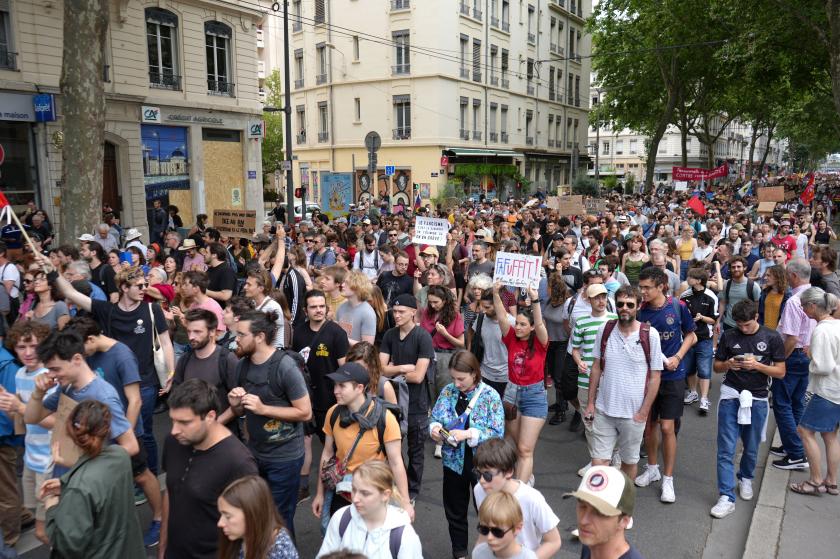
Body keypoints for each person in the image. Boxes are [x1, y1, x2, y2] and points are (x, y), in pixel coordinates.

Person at [48, 261, 175, 478]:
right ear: (124, 287)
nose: (145, 288)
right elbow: (70, 291)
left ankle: (149, 474)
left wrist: (170, 374)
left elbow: (165, 342)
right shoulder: (107, 310)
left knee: (142, 433)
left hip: (145, 382)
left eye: (145, 284)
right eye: (139, 285)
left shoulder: (152, 309)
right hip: (114, 384)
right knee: (117, 431)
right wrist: (51, 271)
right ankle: (126, 475)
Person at [226, 310, 312, 538]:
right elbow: (240, 411)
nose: (236, 340)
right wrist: (235, 405)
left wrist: (264, 409)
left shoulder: (285, 367)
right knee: (258, 515)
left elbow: (305, 412)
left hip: (285, 458)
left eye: (241, 335)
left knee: (279, 520)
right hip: (255, 453)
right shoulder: (241, 366)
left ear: (260, 336)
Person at [159, 379, 259, 559]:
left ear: (210, 416)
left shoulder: (239, 462)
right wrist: (163, 546)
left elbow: (252, 527)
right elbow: (170, 491)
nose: (174, 430)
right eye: (173, 421)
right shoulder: (173, 441)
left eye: (184, 422)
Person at [709, 300, 786, 518]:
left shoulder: (772, 337)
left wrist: (758, 366)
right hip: (731, 395)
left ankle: (745, 477)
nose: (743, 329)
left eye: (747, 325)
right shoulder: (729, 335)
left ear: (757, 318)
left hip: (758, 399)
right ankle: (726, 495)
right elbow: (716, 366)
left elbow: (781, 372)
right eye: (739, 325)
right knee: (726, 448)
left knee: (751, 447)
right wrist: (728, 364)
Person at [40, 401, 145, 558]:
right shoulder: (120, 455)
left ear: (70, 433)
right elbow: (102, 490)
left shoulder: (80, 488)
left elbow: (65, 544)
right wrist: (67, 485)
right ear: (107, 429)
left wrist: (51, 507)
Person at [430, 350, 504, 559]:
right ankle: (459, 552)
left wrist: (469, 434)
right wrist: (435, 429)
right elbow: (435, 417)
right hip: (453, 463)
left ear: (475, 373)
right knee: (455, 511)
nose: (456, 383)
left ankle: (491, 552)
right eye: (453, 378)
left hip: (483, 465)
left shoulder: (490, 395)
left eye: (461, 379)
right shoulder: (448, 392)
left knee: (487, 512)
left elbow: (497, 433)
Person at [586, 286, 663, 480]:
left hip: (633, 415)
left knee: (629, 464)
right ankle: (600, 509)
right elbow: (596, 367)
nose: (624, 308)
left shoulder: (650, 334)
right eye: (620, 304)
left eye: (630, 304)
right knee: (598, 465)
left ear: (638, 307)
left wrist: (644, 411)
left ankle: (623, 509)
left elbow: (655, 376)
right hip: (604, 411)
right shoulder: (605, 329)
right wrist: (590, 403)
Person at [635, 267, 697, 503]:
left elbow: (691, 336)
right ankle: (652, 469)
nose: (643, 292)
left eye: (647, 287)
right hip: (649, 377)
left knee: (668, 428)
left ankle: (668, 480)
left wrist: (678, 357)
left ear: (661, 285)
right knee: (649, 426)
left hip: (673, 376)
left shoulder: (678, 307)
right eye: (641, 287)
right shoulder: (640, 312)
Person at [0, 321, 51, 545]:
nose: (28, 353)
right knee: (43, 529)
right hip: (32, 458)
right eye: (22, 347)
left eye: (34, 346)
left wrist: (20, 408)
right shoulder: (20, 374)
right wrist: (10, 407)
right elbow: (23, 423)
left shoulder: (52, 375)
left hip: (52, 460)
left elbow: (62, 422)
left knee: (49, 530)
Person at [493, 282, 549, 485]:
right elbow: (501, 316)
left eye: (523, 324)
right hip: (511, 394)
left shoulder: (540, 342)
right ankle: (526, 474)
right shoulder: (510, 338)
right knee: (515, 444)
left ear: (532, 327)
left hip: (534, 395)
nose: (517, 327)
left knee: (526, 448)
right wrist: (496, 293)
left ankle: (520, 491)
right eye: (516, 323)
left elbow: (541, 324)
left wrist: (535, 300)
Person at [379, 294, 434, 502]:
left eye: (401, 312)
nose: (397, 315)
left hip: (417, 404)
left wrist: (391, 373)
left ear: (413, 312)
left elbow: (419, 376)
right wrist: (402, 368)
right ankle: (396, 484)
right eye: (394, 311)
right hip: (393, 402)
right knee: (392, 446)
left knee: (416, 450)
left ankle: (411, 491)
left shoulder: (422, 337)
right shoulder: (390, 335)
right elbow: (380, 368)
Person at [788, 287, 840, 496]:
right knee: (830, 436)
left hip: (827, 390)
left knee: (805, 431)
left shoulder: (821, 330)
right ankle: (831, 480)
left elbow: (823, 367)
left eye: (803, 307)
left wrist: (810, 356)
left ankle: (815, 480)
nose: (803, 311)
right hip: (837, 390)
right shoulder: (837, 325)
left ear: (812, 306)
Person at [472, 438, 562, 559]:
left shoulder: (532, 498)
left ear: (508, 471)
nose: (482, 481)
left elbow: (554, 541)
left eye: (488, 475)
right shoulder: (479, 490)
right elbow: (487, 528)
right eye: (478, 474)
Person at [317, 460, 422, 559]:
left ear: (386, 495)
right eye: (354, 489)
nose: (355, 498)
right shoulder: (340, 518)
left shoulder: (404, 536)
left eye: (365, 493)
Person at [771, 258, 815, 471]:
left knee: (782, 403)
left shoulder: (794, 301)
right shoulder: (817, 294)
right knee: (796, 403)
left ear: (794, 276)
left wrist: (780, 360)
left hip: (794, 355)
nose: (786, 278)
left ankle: (796, 452)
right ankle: (792, 445)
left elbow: (791, 337)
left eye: (788, 274)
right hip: (808, 355)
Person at [571, 283, 619, 475]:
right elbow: (575, 349)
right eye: (596, 297)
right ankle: (595, 459)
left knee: (611, 420)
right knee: (589, 421)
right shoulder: (581, 322)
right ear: (588, 300)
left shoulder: (615, 319)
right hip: (586, 380)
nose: (601, 301)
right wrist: (579, 361)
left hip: (610, 381)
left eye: (604, 296)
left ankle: (614, 454)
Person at [565, 466, 644, 559]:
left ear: (624, 521)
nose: (583, 521)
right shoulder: (591, 544)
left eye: (599, 513)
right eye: (583, 506)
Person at [171, 309, 239, 413]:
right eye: (189, 331)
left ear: (212, 332)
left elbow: (237, 403)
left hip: (221, 427)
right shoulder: (184, 360)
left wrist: (214, 424)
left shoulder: (227, 360)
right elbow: (177, 397)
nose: (191, 337)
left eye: (197, 332)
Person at [217, 475, 299, 559]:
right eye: (221, 514)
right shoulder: (238, 539)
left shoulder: (279, 551)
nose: (220, 523)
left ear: (252, 514)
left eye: (228, 516)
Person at [680, 267, 719, 414]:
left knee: (704, 369)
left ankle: (704, 398)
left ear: (698, 280)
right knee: (689, 368)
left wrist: (701, 318)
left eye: (690, 277)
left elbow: (713, 320)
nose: (687, 279)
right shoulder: (684, 296)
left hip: (704, 338)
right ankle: (692, 392)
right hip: (688, 337)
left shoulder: (711, 297)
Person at [471, 491, 537, 559]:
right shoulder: (479, 553)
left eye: (497, 532)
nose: (489, 537)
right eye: (484, 529)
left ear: (517, 528)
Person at [336, 270, 377, 345]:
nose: (342, 285)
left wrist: (342, 338)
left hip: (356, 356)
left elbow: (367, 346)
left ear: (357, 286)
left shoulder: (367, 313)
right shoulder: (341, 307)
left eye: (347, 283)